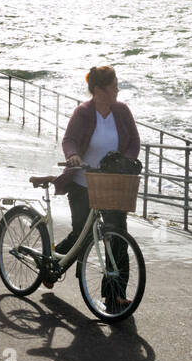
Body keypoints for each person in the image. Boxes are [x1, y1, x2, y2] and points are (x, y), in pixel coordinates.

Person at [49, 66, 140, 294]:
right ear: (99, 90)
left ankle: (115, 296)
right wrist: (73, 156)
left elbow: (134, 142)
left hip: (113, 185)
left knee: (117, 237)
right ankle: (52, 266)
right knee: (82, 235)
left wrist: (125, 161)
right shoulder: (83, 112)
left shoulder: (122, 111)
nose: (117, 90)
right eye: (113, 87)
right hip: (83, 184)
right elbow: (69, 140)